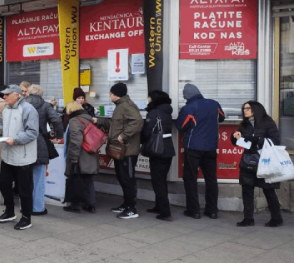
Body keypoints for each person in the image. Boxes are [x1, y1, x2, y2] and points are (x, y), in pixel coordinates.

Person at [94, 83, 144, 220]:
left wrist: (123, 136)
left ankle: (131, 209)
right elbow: (114, 125)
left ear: (116, 95)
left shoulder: (126, 105)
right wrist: (98, 121)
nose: (110, 96)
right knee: (122, 178)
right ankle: (126, 204)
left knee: (127, 179)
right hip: (121, 151)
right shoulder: (120, 106)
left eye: (111, 93)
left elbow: (138, 121)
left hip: (127, 151)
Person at [0, 85, 39, 230]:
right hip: (7, 155)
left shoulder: (28, 109)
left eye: (7, 94)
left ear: (17, 95)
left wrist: (15, 139)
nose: (4, 97)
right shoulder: (6, 109)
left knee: (24, 189)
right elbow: (2, 125)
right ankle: (9, 212)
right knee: (3, 184)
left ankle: (26, 217)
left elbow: (32, 132)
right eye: (4, 94)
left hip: (23, 156)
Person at [177, 84, 225, 220]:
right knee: (211, 179)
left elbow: (181, 126)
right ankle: (212, 211)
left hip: (193, 147)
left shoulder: (188, 108)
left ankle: (194, 211)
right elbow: (222, 118)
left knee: (190, 178)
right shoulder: (214, 104)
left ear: (187, 95)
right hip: (211, 147)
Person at [233, 101, 284, 228]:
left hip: (264, 161)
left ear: (256, 109)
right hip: (248, 161)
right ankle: (248, 218)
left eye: (248, 108)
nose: (245, 110)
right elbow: (237, 142)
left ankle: (276, 218)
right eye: (244, 108)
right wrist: (234, 137)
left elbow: (275, 141)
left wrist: (257, 139)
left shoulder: (267, 122)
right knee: (247, 190)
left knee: (268, 190)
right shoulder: (244, 124)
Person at [25, 84, 63, 216]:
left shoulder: (21, 104)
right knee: (38, 178)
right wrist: (59, 136)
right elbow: (57, 120)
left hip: (23, 142)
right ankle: (37, 208)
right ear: (41, 94)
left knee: (24, 178)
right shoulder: (45, 105)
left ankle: (25, 207)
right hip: (39, 142)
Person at [141, 90, 176, 221]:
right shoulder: (166, 111)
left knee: (158, 182)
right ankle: (159, 206)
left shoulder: (154, 113)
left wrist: (141, 139)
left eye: (149, 98)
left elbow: (147, 132)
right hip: (167, 149)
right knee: (161, 180)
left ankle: (165, 212)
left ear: (154, 99)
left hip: (157, 151)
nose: (148, 100)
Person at [64, 101, 98, 213]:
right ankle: (90, 205)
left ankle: (75, 205)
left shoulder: (74, 120)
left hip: (80, 154)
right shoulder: (89, 118)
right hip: (90, 153)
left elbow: (75, 140)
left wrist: (73, 157)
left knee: (75, 179)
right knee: (88, 180)